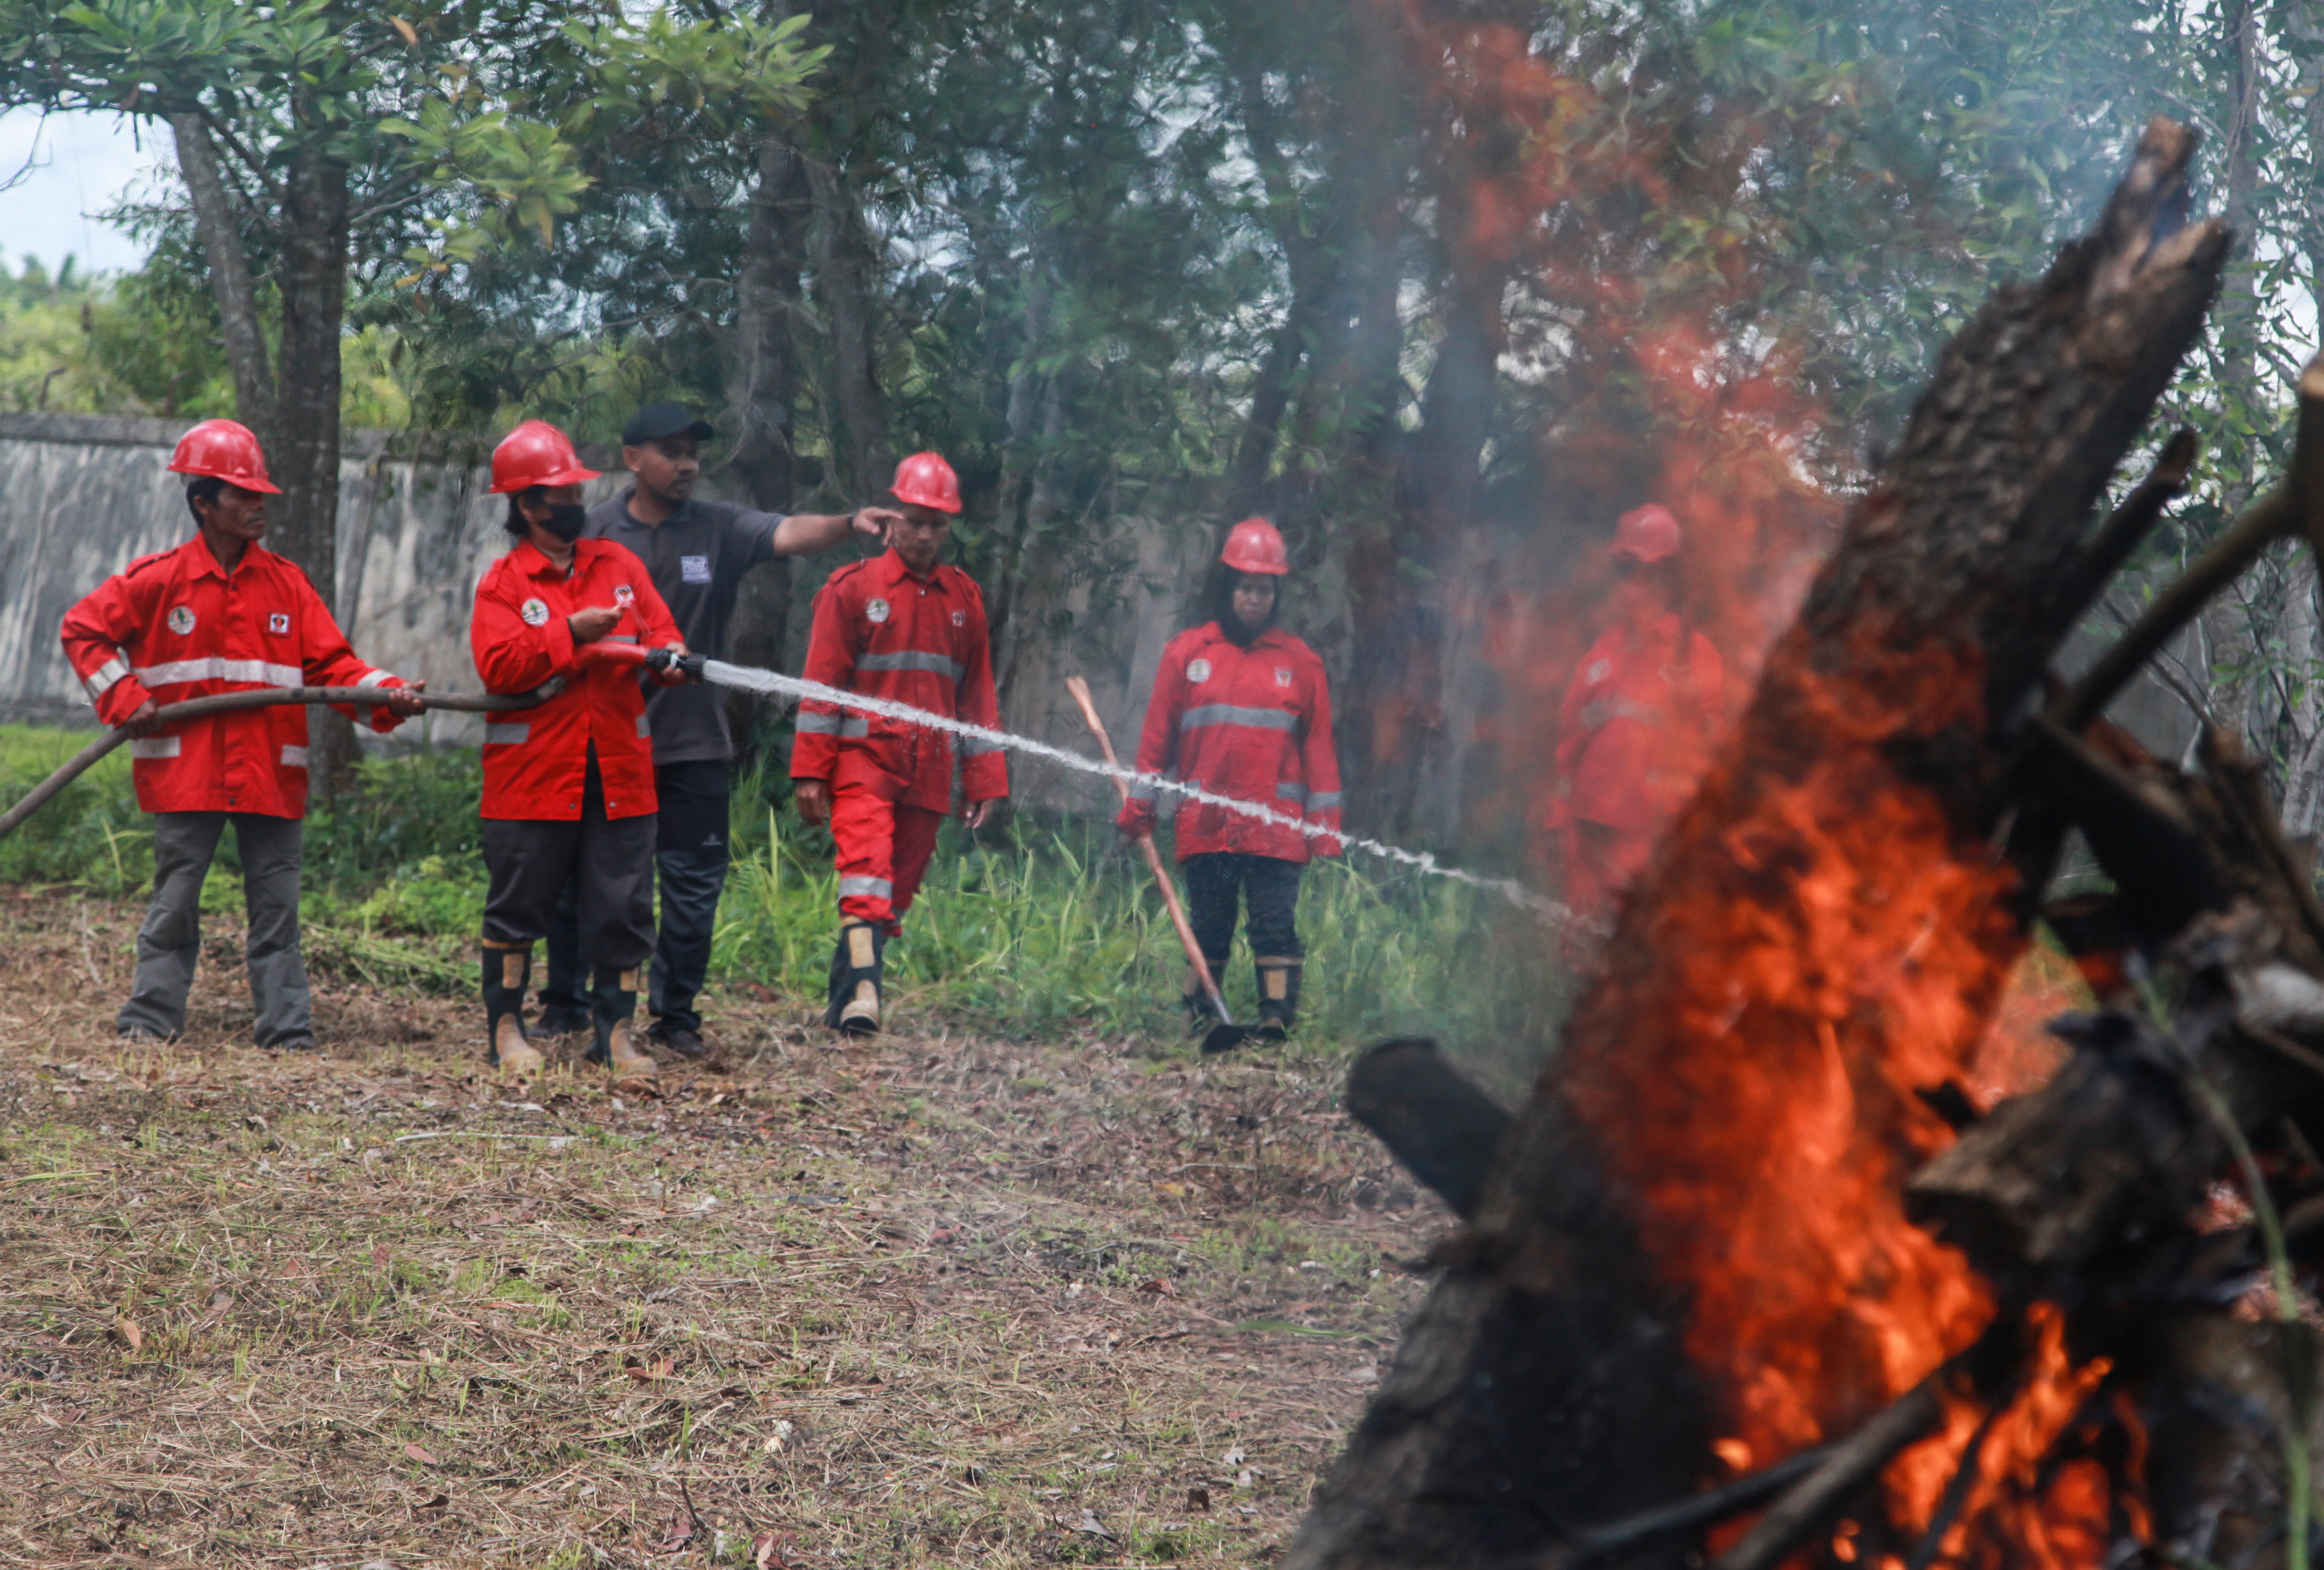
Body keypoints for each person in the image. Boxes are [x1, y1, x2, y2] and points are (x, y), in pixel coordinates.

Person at [534, 401, 893, 1058]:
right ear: (632, 458)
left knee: (694, 889)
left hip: (694, 742)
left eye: (693, 452)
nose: (687, 463)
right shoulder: (592, 533)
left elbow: (789, 532)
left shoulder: (717, 527)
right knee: (587, 882)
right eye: (671, 451)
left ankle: (675, 1018)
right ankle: (566, 1007)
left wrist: (851, 524)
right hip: (607, 738)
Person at [60, 417, 425, 1049]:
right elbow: (82, 630)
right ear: (203, 503)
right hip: (186, 769)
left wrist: (387, 694)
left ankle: (287, 1031)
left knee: (278, 910)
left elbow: (334, 667)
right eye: (243, 496)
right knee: (174, 903)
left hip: (269, 772)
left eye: (260, 495)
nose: (258, 507)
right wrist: (124, 695)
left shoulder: (286, 582)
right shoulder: (158, 580)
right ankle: (150, 1021)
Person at [469, 419, 688, 1079]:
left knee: (622, 905)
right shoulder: (504, 584)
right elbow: (500, 667)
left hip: (618, 773)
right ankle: (507, 1030)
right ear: (528, 506)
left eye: (574, 493)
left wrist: (670, 657)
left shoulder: (619, 566)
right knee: (518, 906)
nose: (573, 505)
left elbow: (662, 630)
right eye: (558, 496)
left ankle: (615, 1035)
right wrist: (569, 631)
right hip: (531, 781)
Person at [790, 451, 1008, 1035]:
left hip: (931, 770)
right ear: (892, 517)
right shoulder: (852, 589)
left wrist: (986, 778)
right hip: (865, 761)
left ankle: (842, 1007)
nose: (924, 533)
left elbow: (976, 697)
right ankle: (867, 995)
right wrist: (810, 770)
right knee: (865, 876)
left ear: (949, 527)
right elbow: (822, 685)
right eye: (914, 520)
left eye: (937, 524)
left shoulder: (964, 599)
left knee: (895, 892)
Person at [1116, 518, 1343, 1043]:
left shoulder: (1301, 664)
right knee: (1210, 922)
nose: (1254, 599)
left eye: (1264, 588)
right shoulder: (1186, 654)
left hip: (1276, 826)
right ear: (1226, 588)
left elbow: (1318, 749)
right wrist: (1139, 809)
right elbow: (1156, 743)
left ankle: (1274, 1022)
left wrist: (1324, 828)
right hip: (1208, 821)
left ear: (1275, 592)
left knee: (1273, 925)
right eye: (1244, 586)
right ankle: (1201, 1015)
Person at [1550, 503, 1726, 931]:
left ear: (1668, 581)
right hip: (1588, 832)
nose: (1637, 587)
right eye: (1626, 573)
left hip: (1649, 838)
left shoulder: (1695, 655)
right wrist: (1558, 817)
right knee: (1577, 952)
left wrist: (1692, 713)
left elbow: (1717, 748)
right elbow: (1569, 742)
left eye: (1649, 575)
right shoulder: (1602, 652)